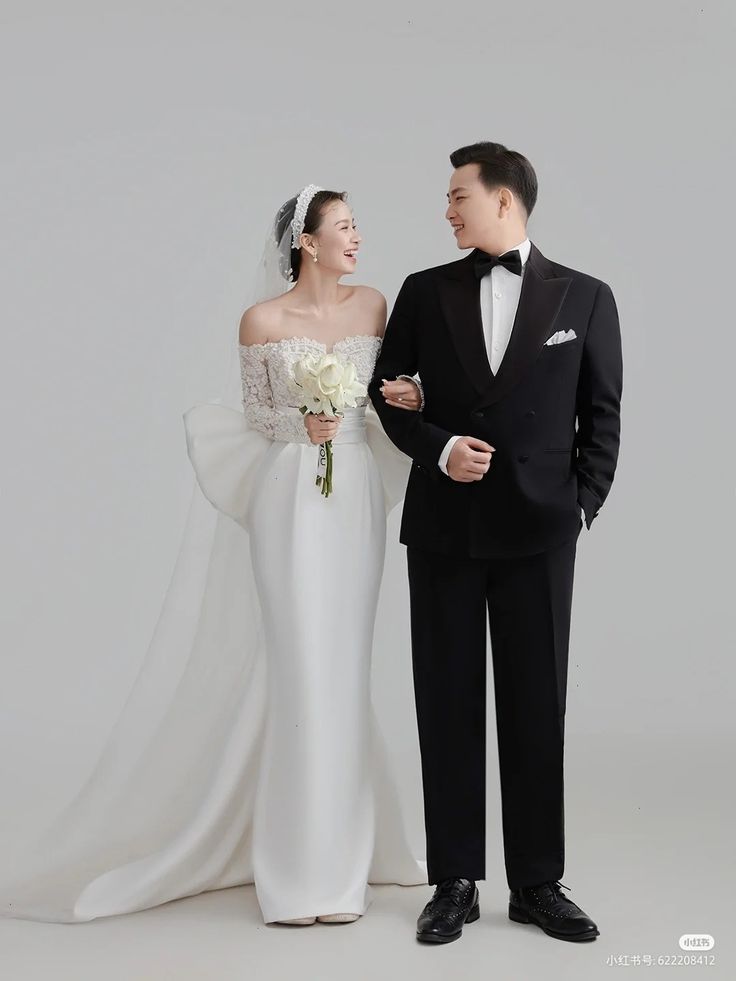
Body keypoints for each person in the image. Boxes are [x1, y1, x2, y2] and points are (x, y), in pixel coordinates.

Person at [0, 185, 427, 925]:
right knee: (298, 667)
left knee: (343, 665)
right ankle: (296, 873)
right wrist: (305, 420)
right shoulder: (261, 320)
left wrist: (404, 398)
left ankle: (345, 862)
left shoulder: (374, 307)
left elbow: (384, 396)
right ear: (307, 241)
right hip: (289, 493)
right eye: (345, 227)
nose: (358, 238)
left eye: (358, 227)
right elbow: (258, 410)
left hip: (351, 492)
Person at [368, 142, 623, 945]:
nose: (446, 211)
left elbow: (603, 411)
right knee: (444, 699)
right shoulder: (421, 291)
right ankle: (454, 880)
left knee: (535, 702)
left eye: (456, 196)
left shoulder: (585, 296)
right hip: (445, 526)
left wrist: (581, 502)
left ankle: (539, 882)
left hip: (542, 530)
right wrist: (439, 448)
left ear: (503, 199)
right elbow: (390, 397)